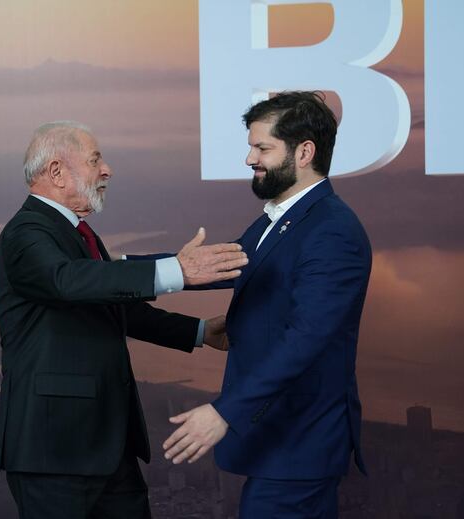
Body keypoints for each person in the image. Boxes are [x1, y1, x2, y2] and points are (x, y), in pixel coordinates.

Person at [0, 121, 248, 519]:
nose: (107, 170)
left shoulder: (76, 233)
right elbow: (69, 281)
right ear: (57, 172)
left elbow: (113, 305)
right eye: (95, 160)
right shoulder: (25, 232)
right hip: (54, 453)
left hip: (107, 449)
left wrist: (198, 332)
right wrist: (176, 271)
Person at [161, 92, 372, 518]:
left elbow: (306, 339)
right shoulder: (285, 218)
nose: (249, 159)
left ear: (304, 152)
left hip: (301, 446)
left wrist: (225, 412)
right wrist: (116, 267)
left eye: (262, 148)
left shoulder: (332, 231)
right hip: (284, 447)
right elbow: (217, 266)